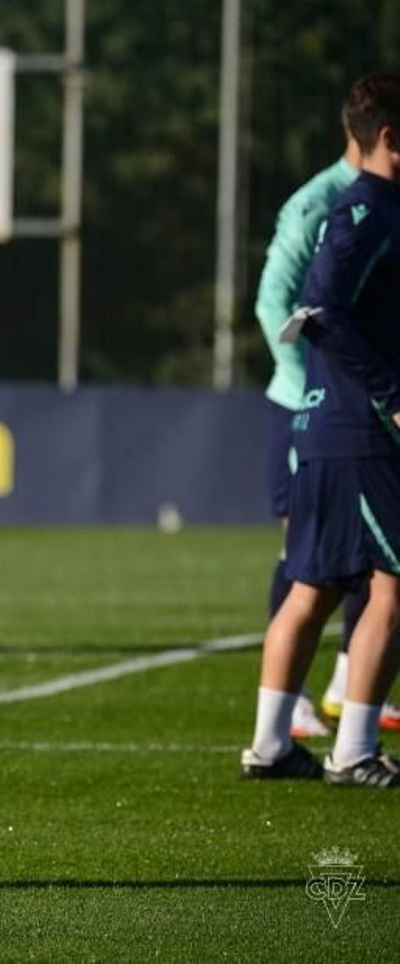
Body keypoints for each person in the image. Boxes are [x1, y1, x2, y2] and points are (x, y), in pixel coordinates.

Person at [240, 72, 400, 787]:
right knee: (393, 584)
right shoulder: (365, 209)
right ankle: (355, 748)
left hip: (329, 420)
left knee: (314, 583)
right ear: (391, 138)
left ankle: (271, 744)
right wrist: (393, 393)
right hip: (356, 427)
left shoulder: (372, 206)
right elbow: (316, 307)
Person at [253, 125, 370, 738]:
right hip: (310, 402)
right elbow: (274, 305)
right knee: (303, 549)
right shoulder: (316, 202)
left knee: (377, 548)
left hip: (365, 406)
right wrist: (315, 388)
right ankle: (287, 702)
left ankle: (348, 683)